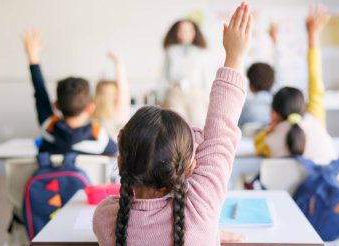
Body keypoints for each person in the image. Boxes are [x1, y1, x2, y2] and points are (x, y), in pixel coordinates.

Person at [93, 3, 252, 245]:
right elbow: (221, 133)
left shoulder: (105, 218)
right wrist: (235, 56)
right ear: (189, 169)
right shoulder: (202, 208)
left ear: (120, 160)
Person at [254, 4, 337, 163]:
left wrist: (271, 128)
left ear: (273, 114)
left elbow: (256, 142)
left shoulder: (268, 142)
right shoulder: (315, 118)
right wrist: (313, 35)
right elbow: (315, 78)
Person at [23, 30, 117, 156]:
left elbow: (40, 93)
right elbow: (116, 153)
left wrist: (33, 57)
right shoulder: (100, 138)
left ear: (55, 105)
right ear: (90, 107)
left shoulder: (48, 127)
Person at [162, 19, 210, 128]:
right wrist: (161, 98)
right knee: (175, 125)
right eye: (181, 30)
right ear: (176, 33)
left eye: (188, 30)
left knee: (198, 123)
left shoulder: (201, 53)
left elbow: (206, 78)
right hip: (175, 92)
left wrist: (207, 100)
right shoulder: (170, 51)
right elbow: (164, 76)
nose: (184, 33)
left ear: (194, 33)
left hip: (196, 93)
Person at [239, 23, 283, 135]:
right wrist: (275, 41)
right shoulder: (278, 108)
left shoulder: (243, 108)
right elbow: (280, 67)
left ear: (250, 84)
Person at [92, 51, 130, 138]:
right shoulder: (120, 111)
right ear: (115, 94)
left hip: (99, 150)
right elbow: (123, 89)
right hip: (117, 150)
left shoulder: (92, 113)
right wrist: (118, 62)